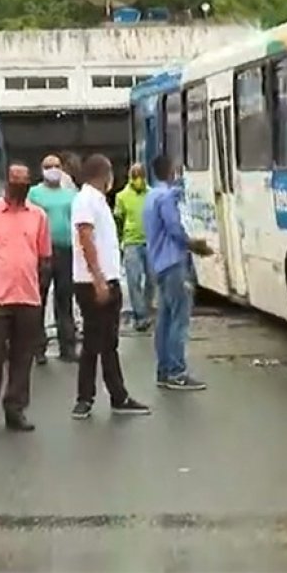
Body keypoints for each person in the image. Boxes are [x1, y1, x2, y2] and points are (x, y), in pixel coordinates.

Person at [0, 162, 52, 438]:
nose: (20, 184)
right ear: (7, 181)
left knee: (22, 358)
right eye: (16, 179)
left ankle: (15, 410)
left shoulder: (38, 216)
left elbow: (44, 256)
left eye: (25, 180)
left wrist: (36, 283)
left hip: (27, 298)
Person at [70, 154, 150, 420]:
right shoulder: (85, 200)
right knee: (96, 343)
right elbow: (85, 237)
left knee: (106, 343)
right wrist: (99, 279)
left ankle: (113, 395)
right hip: (94, 283)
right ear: (105, 175)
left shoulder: (98, 200)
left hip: (105, 280)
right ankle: (89, 398)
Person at [143, 153, 211, 391]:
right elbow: (174, 228)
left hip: (158, 264)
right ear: (171, 171)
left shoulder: (150, 196)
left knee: (164, 319)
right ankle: (177, 372)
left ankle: (164, 370)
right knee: (179, 320)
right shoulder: (166, 197)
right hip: (173, 263)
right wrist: (193, 245)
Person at [28, 153, 78, 363]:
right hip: (42, 253)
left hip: (66, 251)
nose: (53, 170)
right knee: (38, 299)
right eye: (49, 166)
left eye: (56, 166)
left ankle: (68, 347)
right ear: (42, 170)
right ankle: (38, 348)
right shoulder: (34, 193)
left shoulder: (71, 194)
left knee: (64, 299)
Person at [114, 163, 154, 332]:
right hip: (131, 242)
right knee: (134, 280)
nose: (138, 180)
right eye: (135, 176)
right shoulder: (122, 196)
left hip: (151, 241)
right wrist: (120, 240)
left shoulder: (152, 195)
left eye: (140, 176)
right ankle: (141, 315)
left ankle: (146, 308)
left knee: (152, 279)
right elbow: (118, 219)